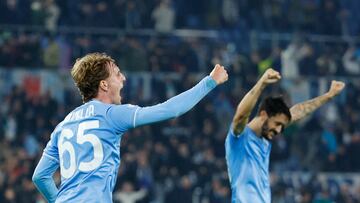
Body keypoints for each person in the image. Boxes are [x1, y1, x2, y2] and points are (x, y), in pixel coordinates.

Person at [32, 52, 228, 202]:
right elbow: (169, 110)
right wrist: (209, 82)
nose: (123, 78)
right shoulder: (111, 115)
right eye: (117, 74)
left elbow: (40, 176)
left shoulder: (63, 125)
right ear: (104, 85)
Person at [225, 68, 345, 203]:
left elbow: (299, 111)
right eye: (277, 124)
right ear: (264, 115)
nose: (278, 130)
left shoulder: (264, 139)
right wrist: (261, 84)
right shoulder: (239, 138)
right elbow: (241, 115)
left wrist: (328, 96)